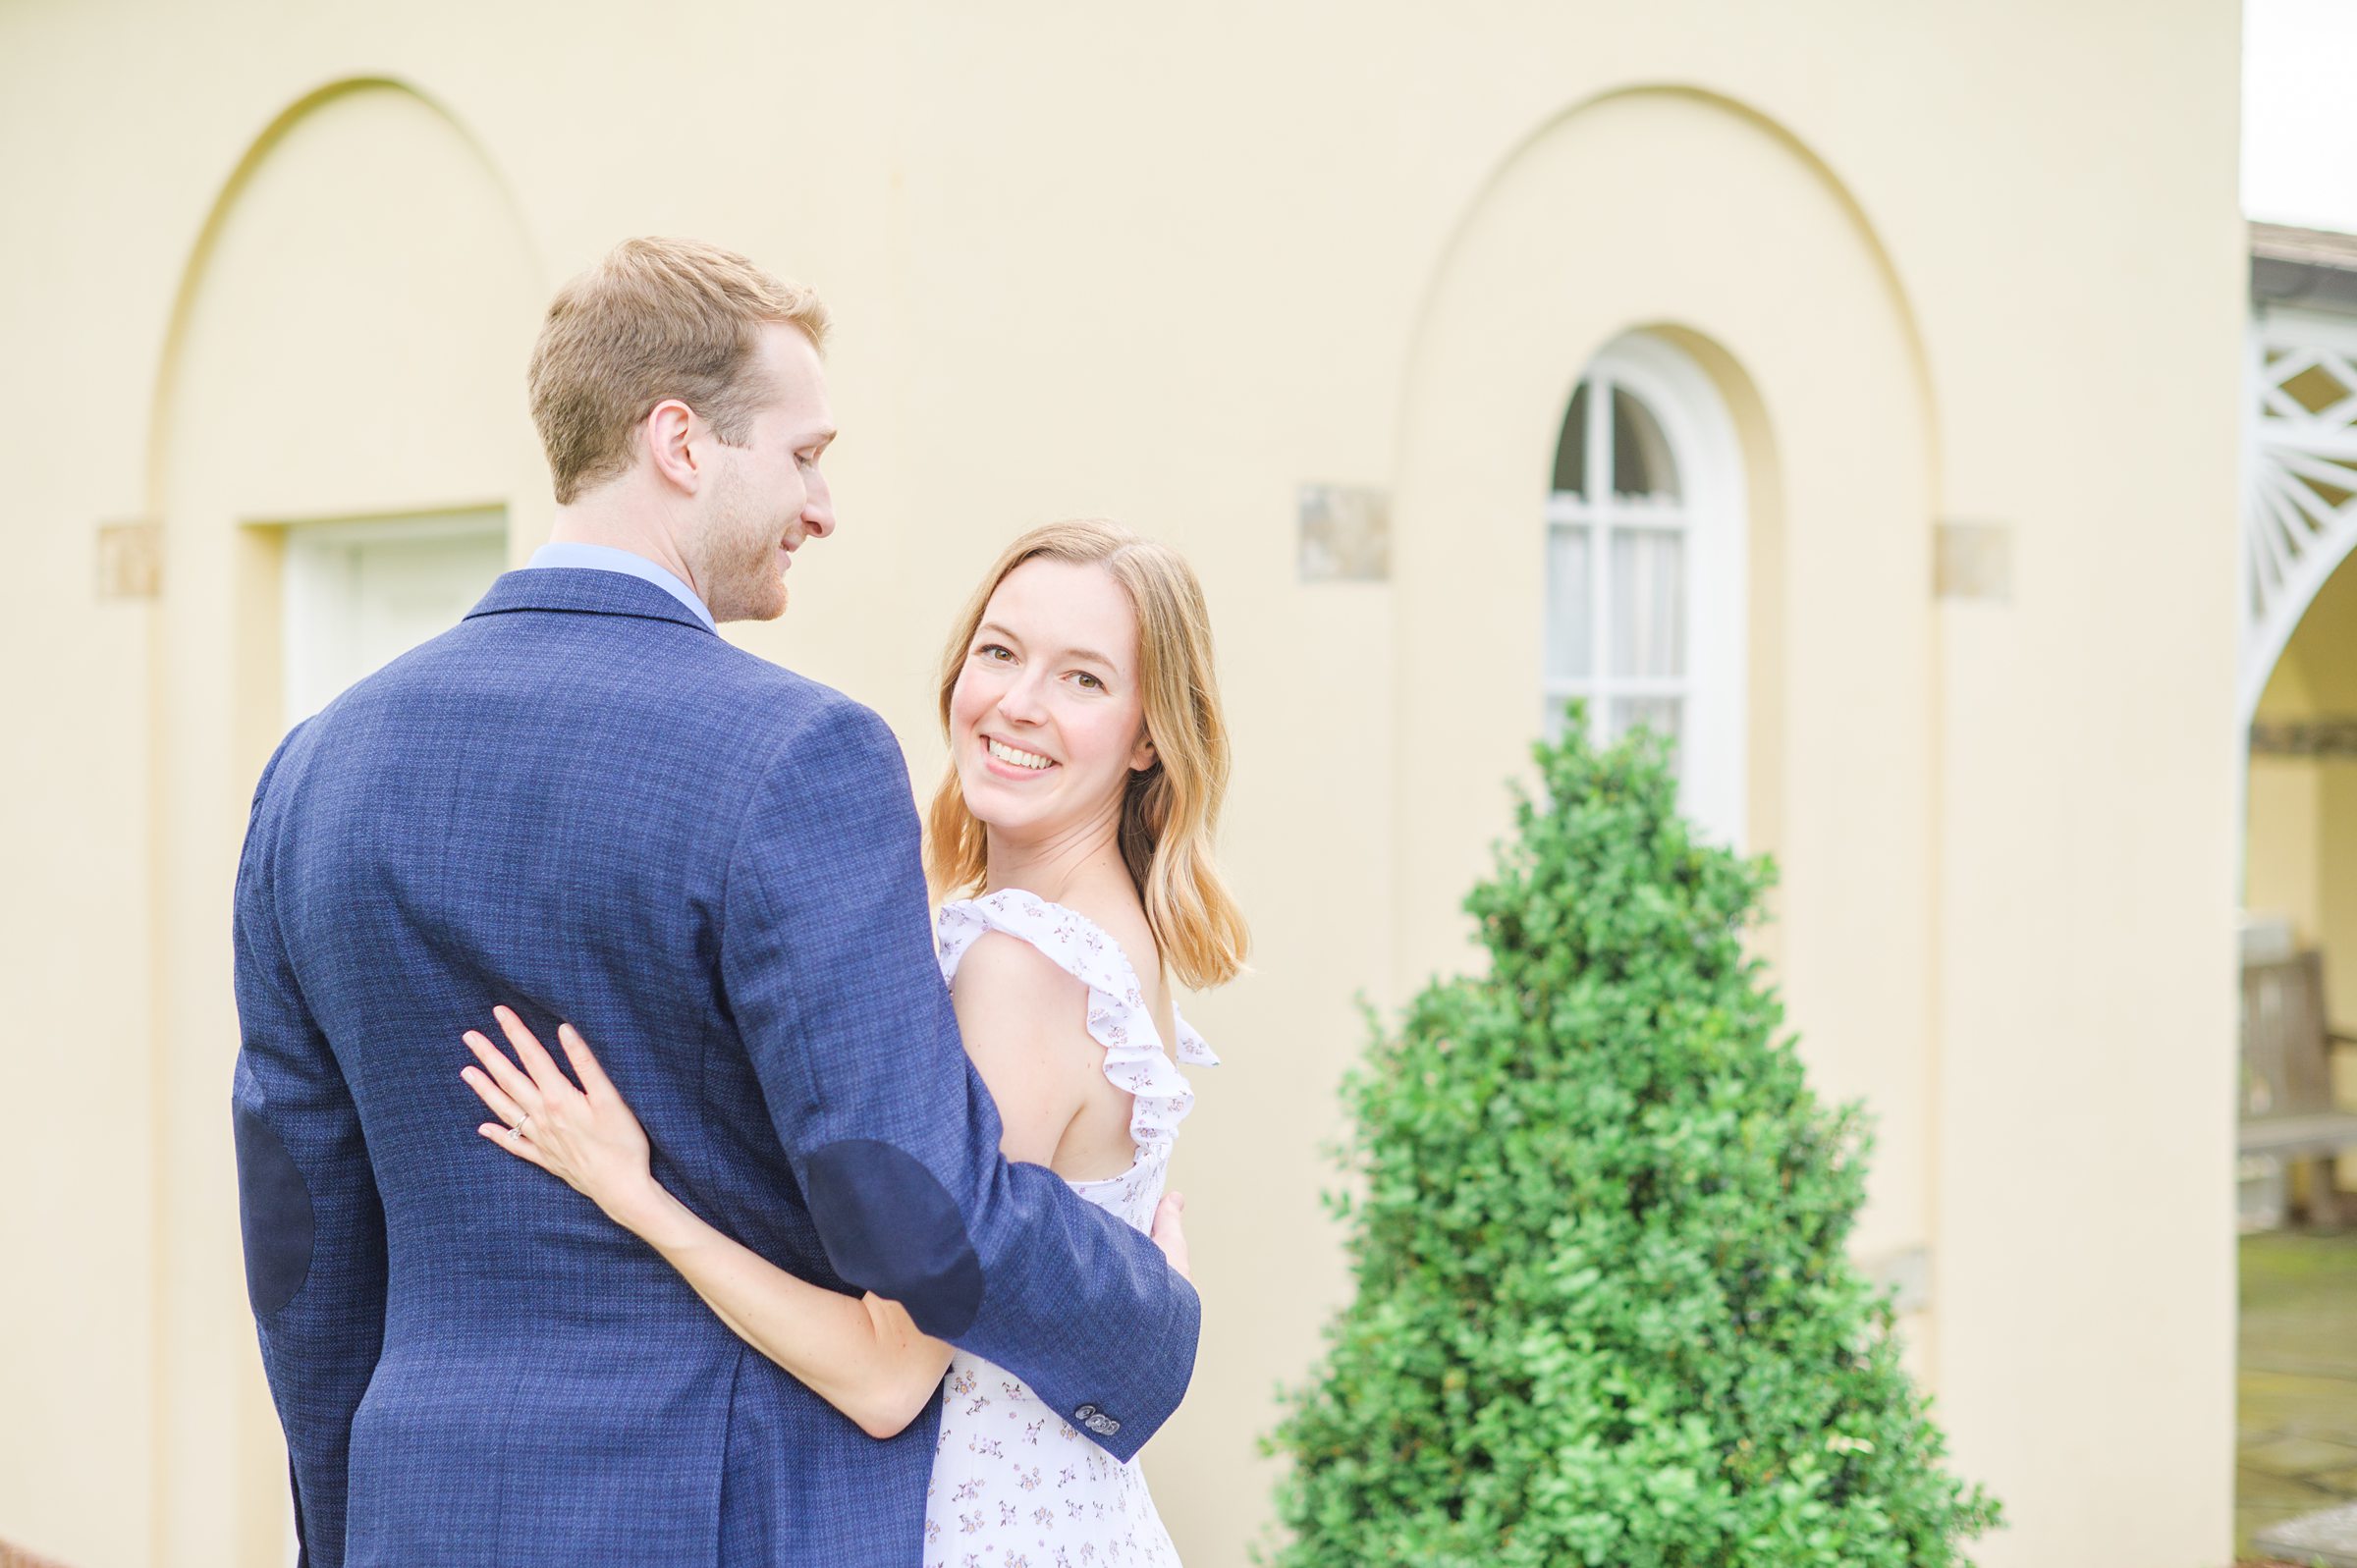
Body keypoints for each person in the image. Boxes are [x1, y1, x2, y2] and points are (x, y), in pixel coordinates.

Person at [230, 239, 1204, 1568]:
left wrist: (351, 1524)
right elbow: (914, 1200)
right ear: (680, 443)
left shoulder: (313, 774)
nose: (823, 504)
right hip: (718, 1512)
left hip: (425, 1505)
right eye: (804, 456)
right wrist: (1148, 1320)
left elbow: (302, 1239)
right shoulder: (799, 759)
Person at [461, 518, 1246, 1567]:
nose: (1018, 702)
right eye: (1000, 652)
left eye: (1085, 680)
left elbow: (889, 1373)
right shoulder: (1100, 934)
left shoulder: (1027, 967)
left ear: (1150, 736)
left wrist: (632, 1190)